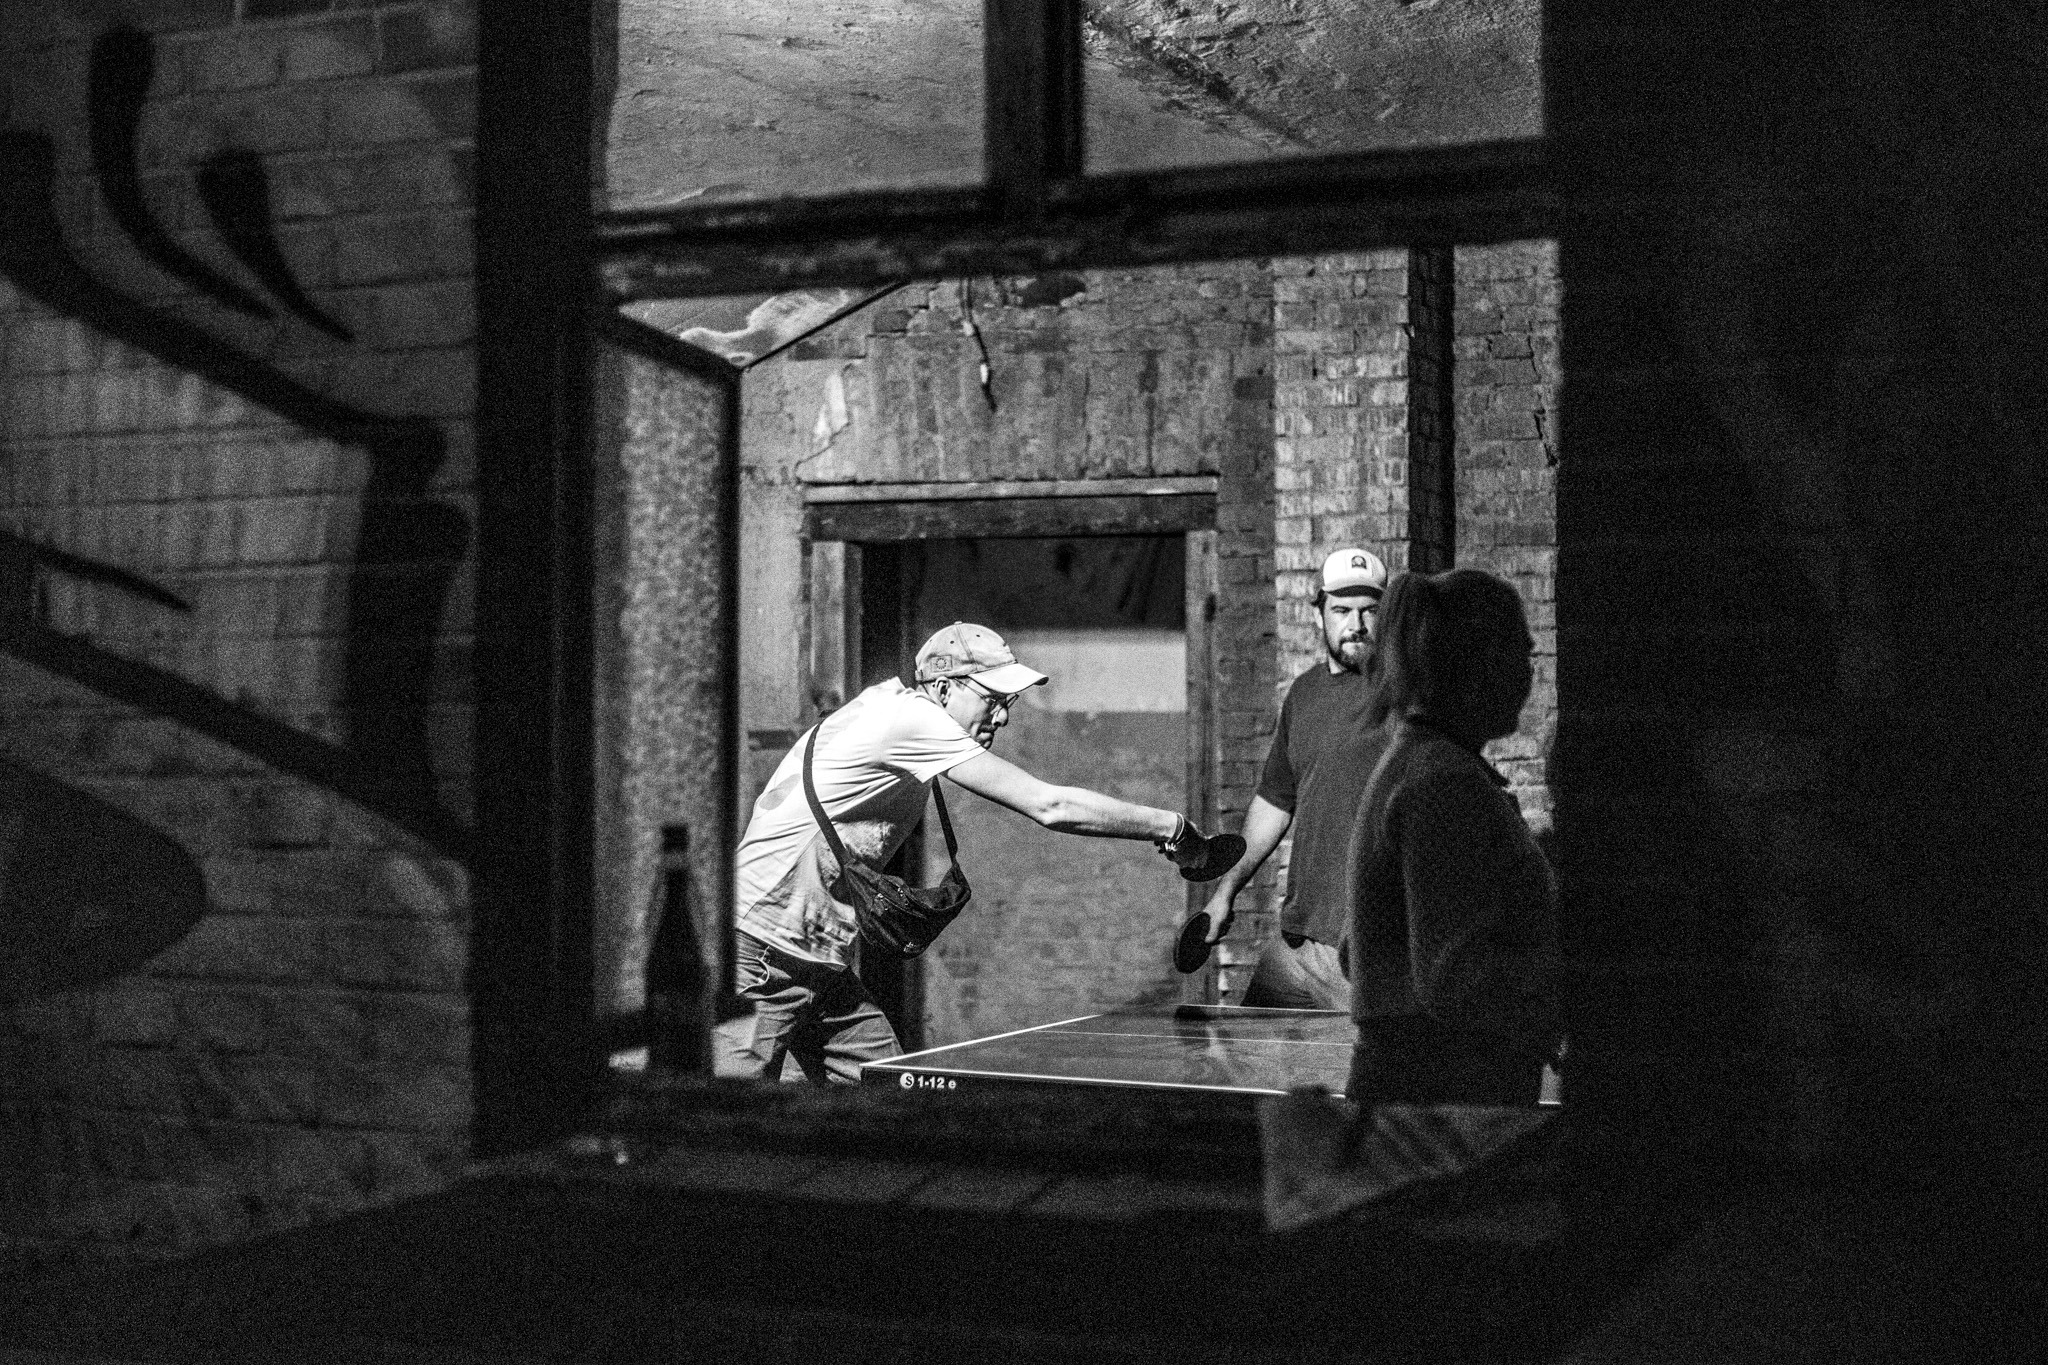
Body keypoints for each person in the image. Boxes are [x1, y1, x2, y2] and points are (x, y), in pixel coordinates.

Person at [730, 621, 1233, 1084]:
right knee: (715, 1113)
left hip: (813, 956)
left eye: (1008, 701)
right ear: (944, 688)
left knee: (887, 1099)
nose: (1004, 715)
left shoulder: (890, 709)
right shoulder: (912, 720)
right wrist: (1173, 827)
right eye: (992, 698)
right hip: (765, 947)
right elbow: (1051, 805)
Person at [1343, 568, 1560, 1106]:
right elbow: (1454, 977)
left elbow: (1357, 949)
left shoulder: (1419, 764)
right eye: (1523, 654)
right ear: (1480, 662)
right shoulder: (1442, 782)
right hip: (1442, 1105)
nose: (1529, 675)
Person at [1197, 547, 1390, 1009]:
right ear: (1319, 613)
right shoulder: (1304, 693)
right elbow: (1274, 804)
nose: (1356, 624)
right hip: (1296, 943)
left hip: (1361, 955)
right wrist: (1226, 892)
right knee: (1247, 1052)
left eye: (1369, 610)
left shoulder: (1405, 696)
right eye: (1341, 610)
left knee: (1354, 1060)